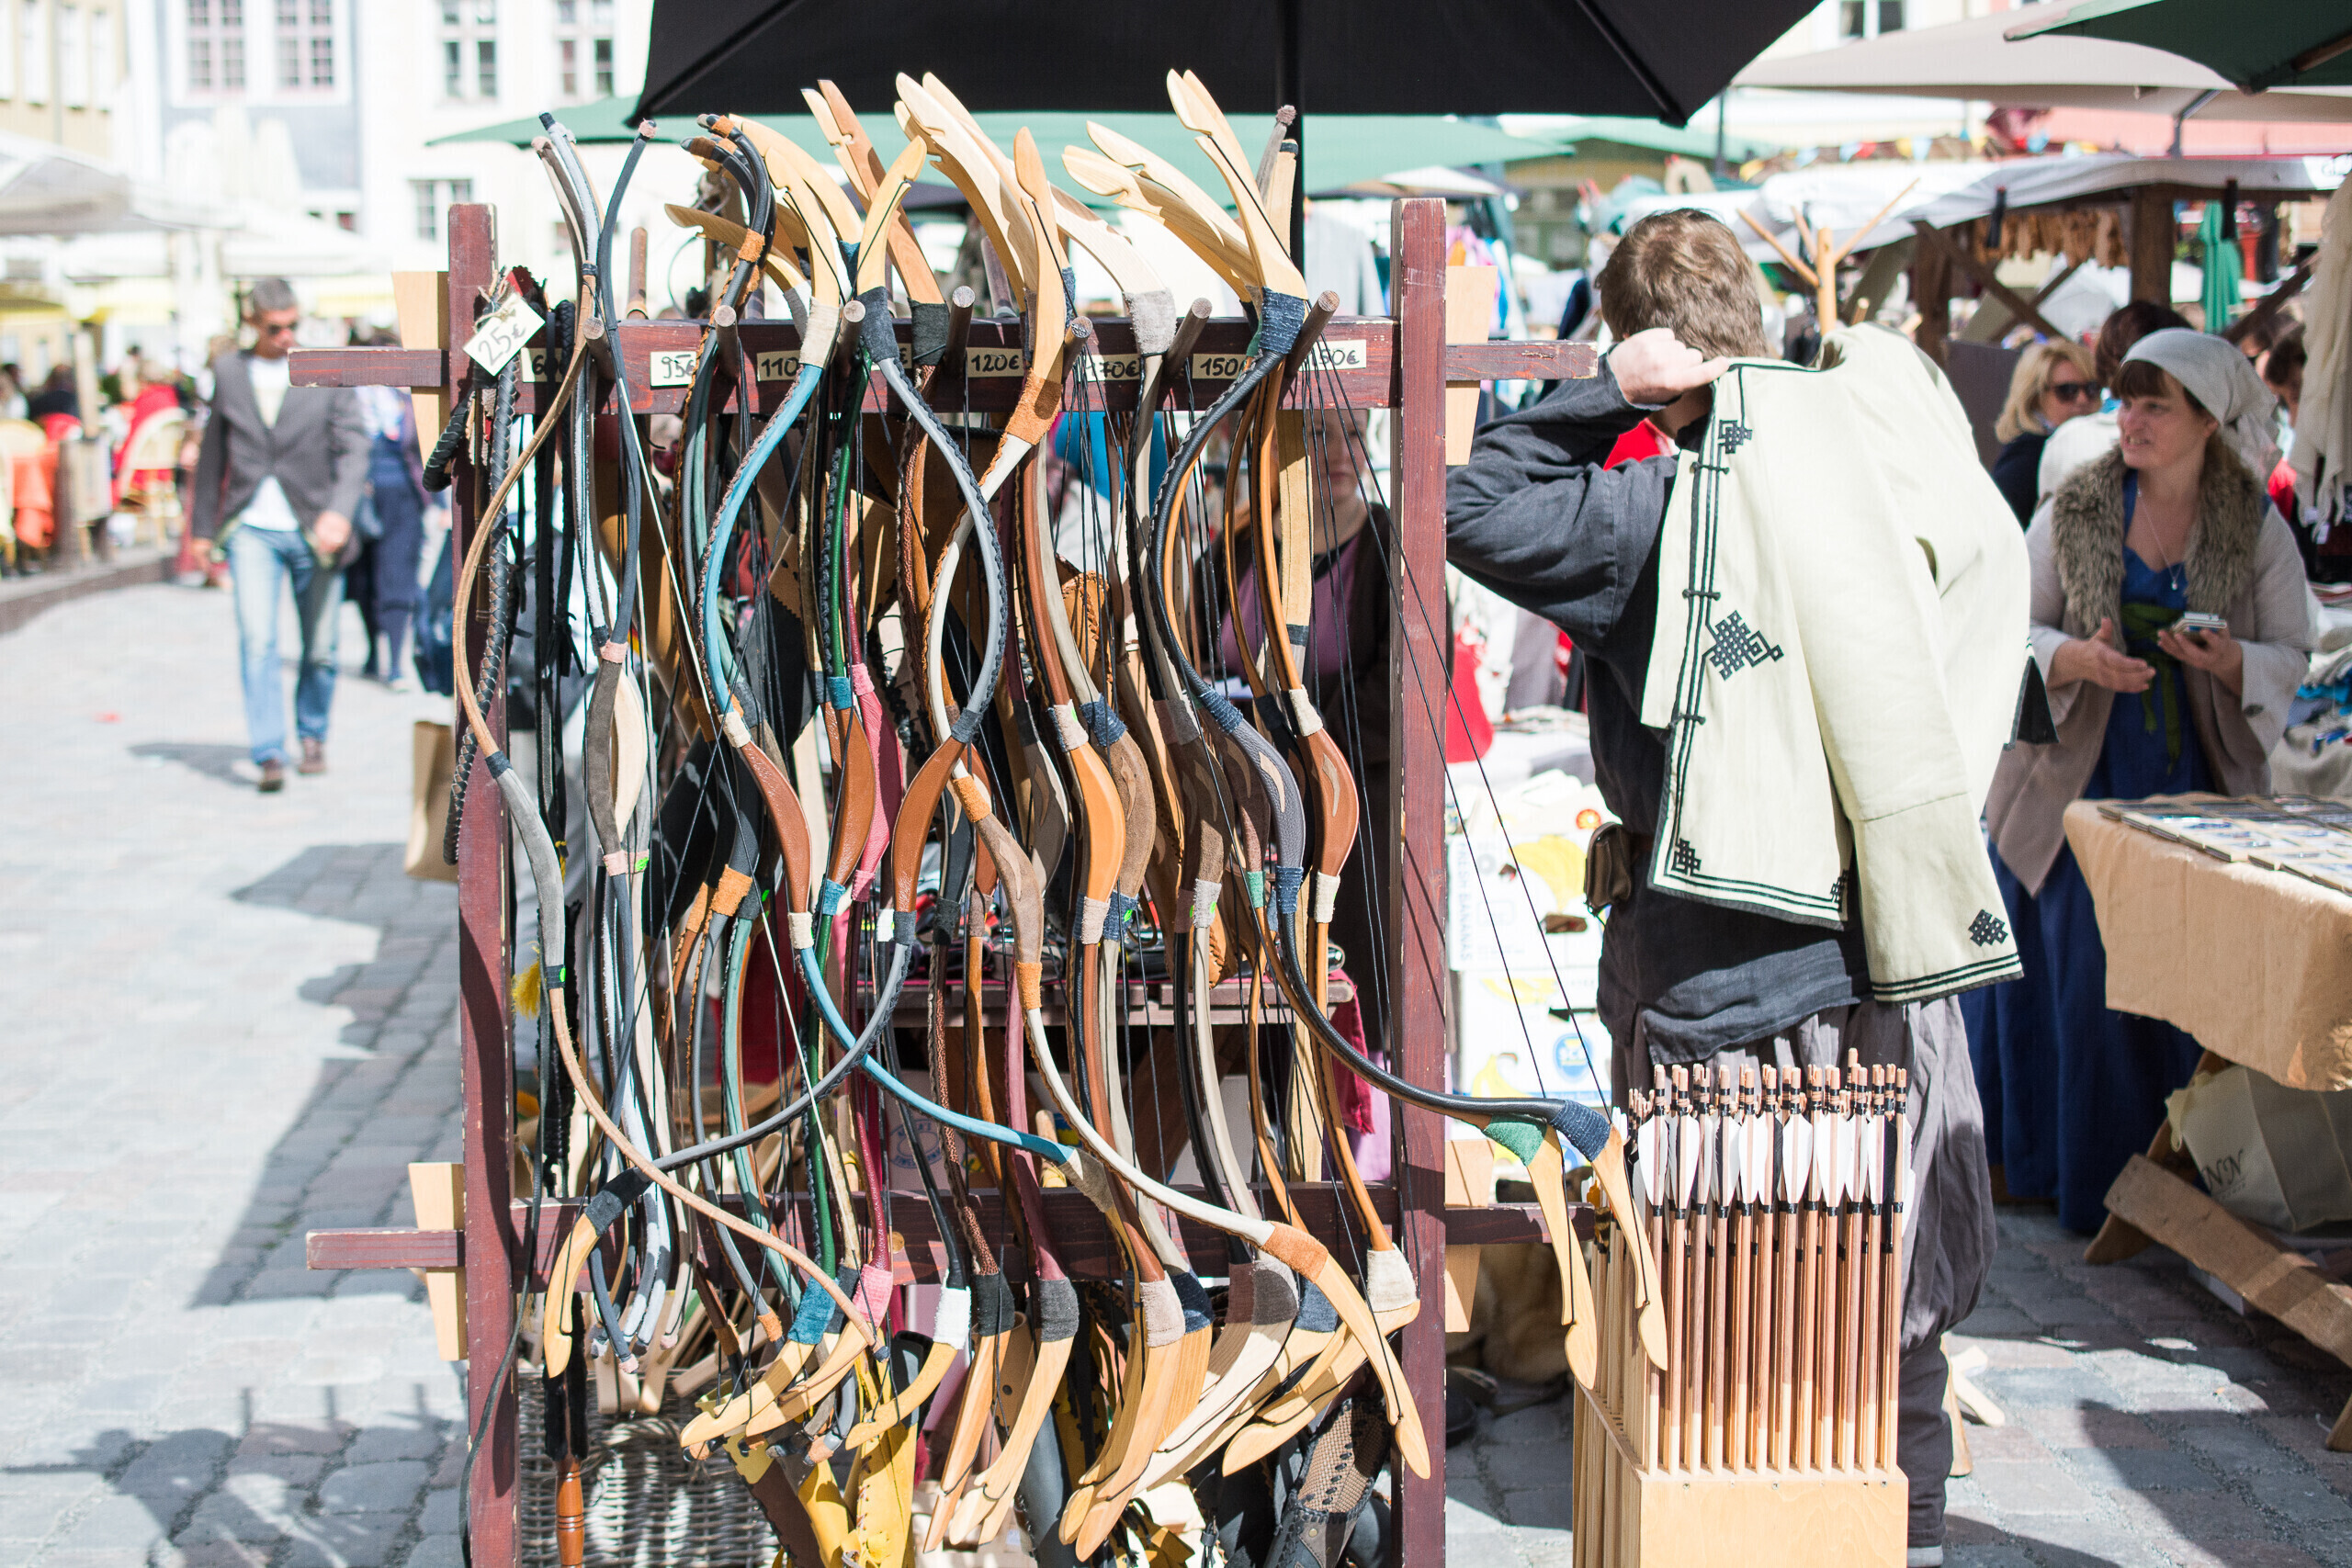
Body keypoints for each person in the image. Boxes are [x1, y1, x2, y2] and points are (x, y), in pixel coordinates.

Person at [1445, 209, 1996, 1568]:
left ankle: (1745, 1529)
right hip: (1886, 942)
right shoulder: (1877, 471)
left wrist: (1604, 391)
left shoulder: (1663, 509)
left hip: (1721, 969)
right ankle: (1900, 1528)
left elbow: (1463, 501)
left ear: (1647, 349)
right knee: (1872, 1263)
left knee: (1725, 1288)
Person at [1970, 329, 2315, 1234]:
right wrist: (2076, 659)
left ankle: (2188, 1181)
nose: (2131, 420)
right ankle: (2082, 1178)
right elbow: (2008, 628)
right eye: (2126, 402)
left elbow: (2294, 647)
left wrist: (2231, 660)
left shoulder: (2255, 525)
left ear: (2207, 422)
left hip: (2194, 778)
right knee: (2089, 972)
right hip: (2076, 783)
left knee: (2188, 974)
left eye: (2156, 405)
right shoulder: (2074, 510)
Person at [190, 278, 368, 793]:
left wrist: (340, 512)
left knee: (321, 647)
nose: (287, 336)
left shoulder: (322, 368)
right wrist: (201, 530)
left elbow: (355, 448)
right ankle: (268, 750)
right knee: (258, 641)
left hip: (315, 527)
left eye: (293, 324)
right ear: (252, 323)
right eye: (274, 328)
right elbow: (212, 454)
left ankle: (312, 733)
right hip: (251, 528)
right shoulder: (229, 371)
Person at [2037, 300, 2190, 505]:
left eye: (2091, 388)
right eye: (2067, 390)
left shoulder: (2071, 440)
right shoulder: (2071, 441)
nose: (2131, 422)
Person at [351, 377, 433, 689]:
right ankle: (374, 650)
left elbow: (425, 450)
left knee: (398, 579)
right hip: (359, 501)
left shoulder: (404, 400)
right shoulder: (351, 400)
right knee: (363, 581)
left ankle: (396, 662)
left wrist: (438, 501)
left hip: (403, 501)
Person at [1990, 340, 2098, 524]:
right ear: (2035, 397)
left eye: (2091, 388)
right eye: (2067, 390)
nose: (2082, 399)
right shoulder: (2026, 458)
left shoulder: (2089, 445)